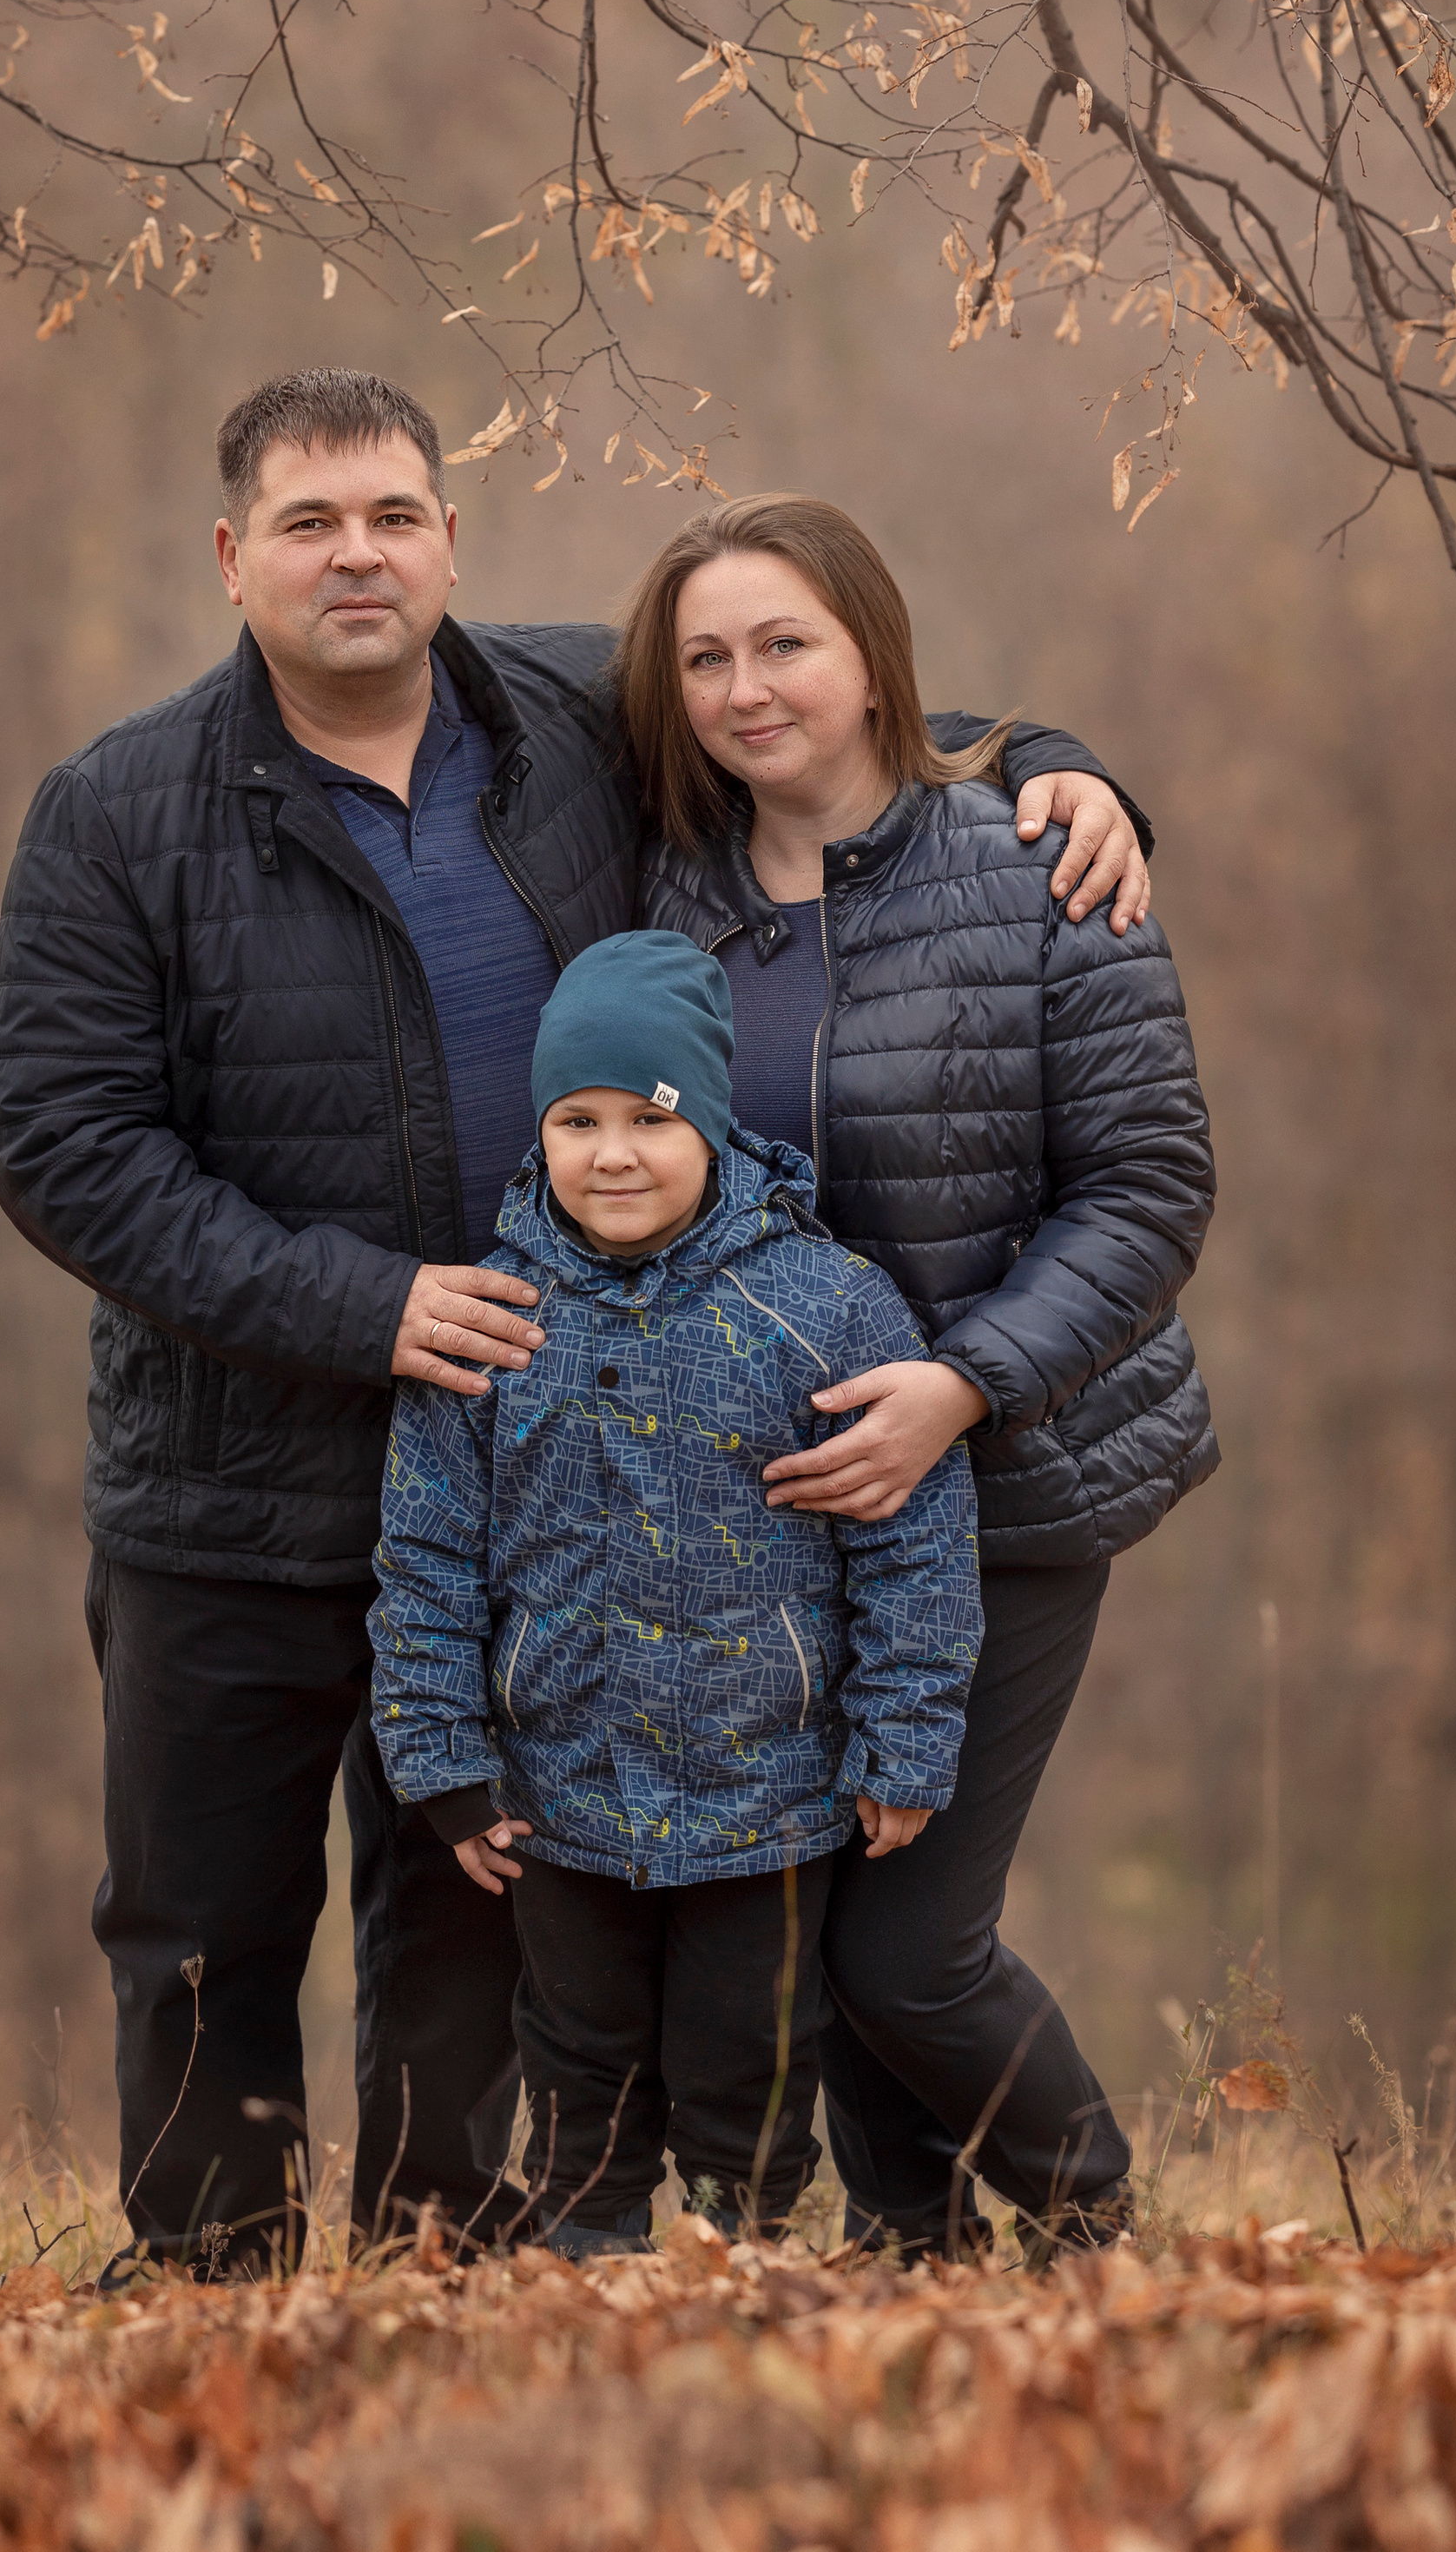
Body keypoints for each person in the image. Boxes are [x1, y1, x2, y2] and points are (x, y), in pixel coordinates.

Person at [0, 365, 1150, 2272]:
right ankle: (208, 2276)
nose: (352, 555)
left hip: (555, 1468)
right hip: (238, 1481)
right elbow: (60, 1148)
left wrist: (1057, 758)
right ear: (229, 558)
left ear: (447, 538)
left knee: (473, 1899)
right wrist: (361, 1309)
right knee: (202, 1914)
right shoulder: (117, 814)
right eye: (305, 522)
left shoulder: (566, 727)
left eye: (388, 517)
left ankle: (442, 2255)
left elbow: (825, 718)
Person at [625, 492, 1217, 2263]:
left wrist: (958, 1389)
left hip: (1015, 1479)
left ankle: (1100, 2233)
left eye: (784, 642)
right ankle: (917, 2259)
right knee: (823, 1917)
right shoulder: (667, 899)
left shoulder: (1039, 867)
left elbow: (1148, 1189)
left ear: (873, 659)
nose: (745, 687)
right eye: (707, 655)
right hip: (783, 1506)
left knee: (909, 1944)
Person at [369, 933, 980, 2255]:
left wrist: (906, 1742)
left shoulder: (825, 1306)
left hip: (772, 1797)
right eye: (577, 1120)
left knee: (747, 2058)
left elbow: (916, 1548)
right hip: (559, 1794)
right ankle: (589, 2262)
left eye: (650, 1118)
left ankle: (736, 2257)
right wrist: (441, 1763)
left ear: (709, 1122)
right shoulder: (495, 1316)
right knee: (578, 2057)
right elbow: (423, 1562)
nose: (614, 1154)